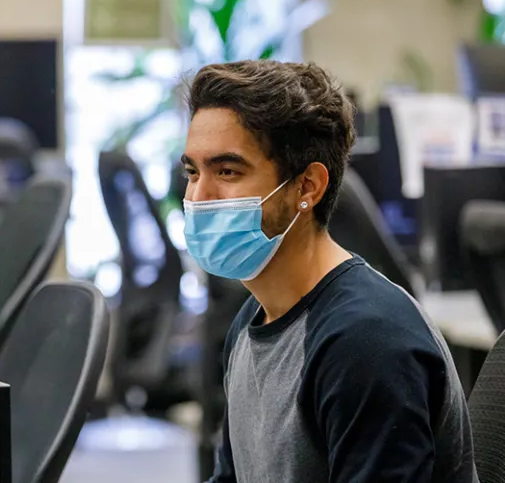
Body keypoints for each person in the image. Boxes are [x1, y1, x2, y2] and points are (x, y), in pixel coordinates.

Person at [182, 61, 476, 482]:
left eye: (227, 171)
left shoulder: (366, 342)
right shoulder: (253, 319)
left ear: (307, 187)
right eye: (192, 171)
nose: (199, 196)